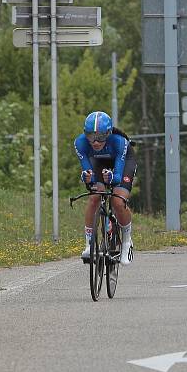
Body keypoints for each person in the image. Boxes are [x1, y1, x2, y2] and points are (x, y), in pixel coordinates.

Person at [74, 111, 136, 265]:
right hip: (99, 163)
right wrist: (87, 178)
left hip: (122, 162)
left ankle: (127, 242)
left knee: (117, 201)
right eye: (90, 136)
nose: (95, 142)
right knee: (94, 197)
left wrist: (113, 178)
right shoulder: (80, 143)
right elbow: (88, 174)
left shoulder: (119, 142)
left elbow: (117, 175)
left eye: (100, 137)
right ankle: (89, 244)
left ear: (108, 133)